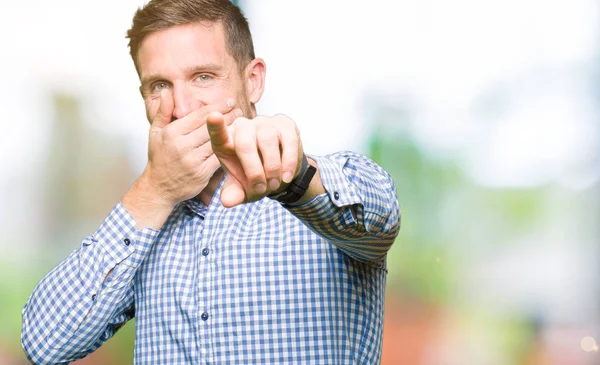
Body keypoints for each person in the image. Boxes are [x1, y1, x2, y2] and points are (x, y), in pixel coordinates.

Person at [21, 0, 401, 363]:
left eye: (203, 77)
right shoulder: (143, 226)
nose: (183, 107)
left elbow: (380, 219)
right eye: (160, 86)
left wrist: (293, 176)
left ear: (253, 81)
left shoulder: (327, 185)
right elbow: (44, 344)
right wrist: (155, 191)